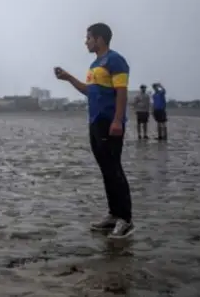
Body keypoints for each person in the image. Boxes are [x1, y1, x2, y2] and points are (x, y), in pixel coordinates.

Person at [54, 22, 134, 239]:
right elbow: (89, 91)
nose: (86, 41)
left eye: (88, 37)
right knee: (106, 170)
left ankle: (125, 219)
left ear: (99, 39)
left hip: (110, 122)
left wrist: (118, 120)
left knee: (114, 169)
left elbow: (121, 92)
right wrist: (69, 78)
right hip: (95, 122)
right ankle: (113, 214)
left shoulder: (115, 60)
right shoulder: (94, 65)